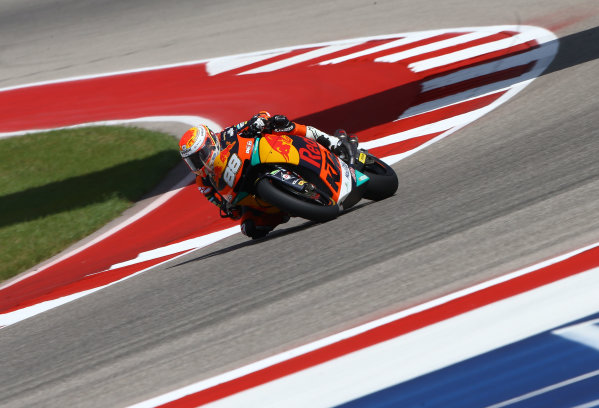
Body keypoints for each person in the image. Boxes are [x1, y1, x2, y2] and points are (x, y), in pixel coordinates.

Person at [178, 111, 344, 239]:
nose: (199, 162)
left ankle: (330, 141)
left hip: (261, 158)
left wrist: (257, 121)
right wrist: (228, 208)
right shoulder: (202, 181)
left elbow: (261, 115)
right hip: (246, 194)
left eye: (201, 155)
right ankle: (284, 208)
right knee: (249, 229)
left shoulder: (226, 136)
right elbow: (223, 206)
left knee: (280, 123)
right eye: (192, 161)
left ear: (211, 143)